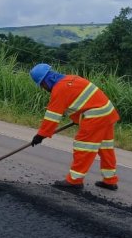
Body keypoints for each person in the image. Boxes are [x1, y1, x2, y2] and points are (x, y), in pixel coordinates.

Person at [29, 63, 120, 191]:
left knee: (83, 147)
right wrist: (79, 118)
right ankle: (110, 180)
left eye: (42, 85)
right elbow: (82, 102)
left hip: (96, 117)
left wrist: (40, 135)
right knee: (105, 148)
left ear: (46, 81)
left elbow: (52, 117)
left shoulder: (59, 89)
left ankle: (75, 181)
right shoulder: (71, 79)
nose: (44, 88)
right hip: (107, 113)